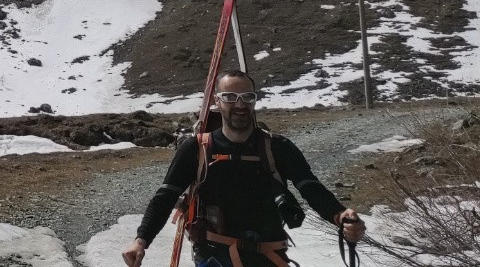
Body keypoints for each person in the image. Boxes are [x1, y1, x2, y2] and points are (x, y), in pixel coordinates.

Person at [123, 70, 366, 267]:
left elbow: (310, 187)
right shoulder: (197, 148)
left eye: (247, 97)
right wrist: (141, 241)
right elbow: (165, 197)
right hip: (214, 256)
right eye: (230, 97)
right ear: (217, 102)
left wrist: (339, 216)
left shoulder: (277, 147)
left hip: (269, 256)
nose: (239, 105)